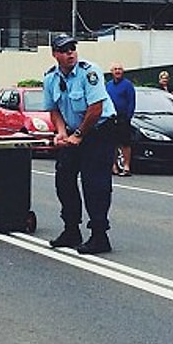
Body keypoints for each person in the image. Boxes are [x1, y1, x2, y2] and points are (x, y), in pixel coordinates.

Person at [43, 34, 117, 255]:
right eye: (64, 50)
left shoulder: (89, 72)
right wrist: (61, 132)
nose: (70, 53)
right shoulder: (50, 78)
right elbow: (54, 109)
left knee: (95, 183)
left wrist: (78, 135)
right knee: (63, 178)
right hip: (75, 132)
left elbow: (96, 108)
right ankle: (71, 229)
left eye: (72, 48)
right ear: (55, 54)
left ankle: (99, 235)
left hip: (98, 130)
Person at [106, 62, 135, 177]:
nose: (117, 71)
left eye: (120, 69)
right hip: (110, 117)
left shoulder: (128, 85)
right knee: (111, 143)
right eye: (115, 69)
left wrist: (128, 116)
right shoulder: (108, 85)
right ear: (112, 72)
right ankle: (113, 167)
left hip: (123, 117)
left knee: (125, 143)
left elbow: (131, 102)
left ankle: (126, 166)